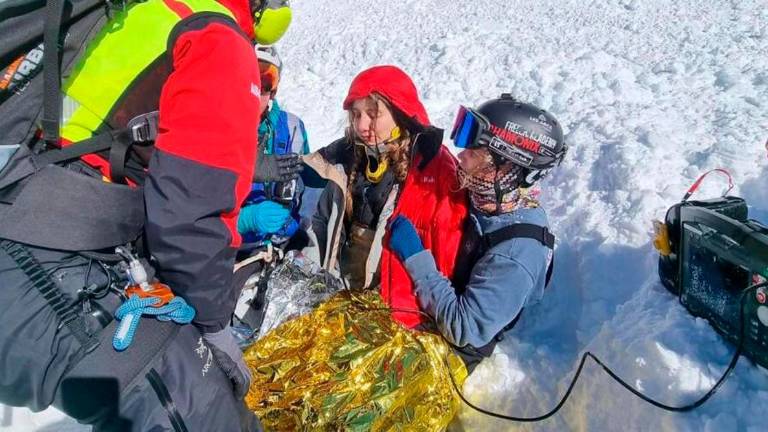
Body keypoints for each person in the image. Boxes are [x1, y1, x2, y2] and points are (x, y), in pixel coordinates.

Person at [0, 0, 295, 430]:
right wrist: (212, 329)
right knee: (208, 412)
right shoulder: (216, 34)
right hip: (51, 258)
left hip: (28, 223)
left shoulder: (136, 13)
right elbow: (190, 217)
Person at [388, 94, 568, 371]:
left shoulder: (516, 254)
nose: (461, 156)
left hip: (452, 351)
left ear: (506, 168)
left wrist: (417, 259)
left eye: (473, 153)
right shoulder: (488, 199)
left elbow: (464, 328)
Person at [301, 65, 469, 328]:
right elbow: (322, 222)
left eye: (373, 113)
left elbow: (447, 252)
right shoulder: (347, 156)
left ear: (400, 113)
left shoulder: (433, 171)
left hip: (393, 312)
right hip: (339, 293)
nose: (361, 126)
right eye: (356, 115)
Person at [238, 45, 310, 252]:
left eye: (264, 82)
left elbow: (310, 184)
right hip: (230, 251)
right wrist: (244, 220)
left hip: (284, 247)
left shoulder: (292, 127)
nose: (254, 91)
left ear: (274, 91)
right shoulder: (214, 129)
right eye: (246, 80)